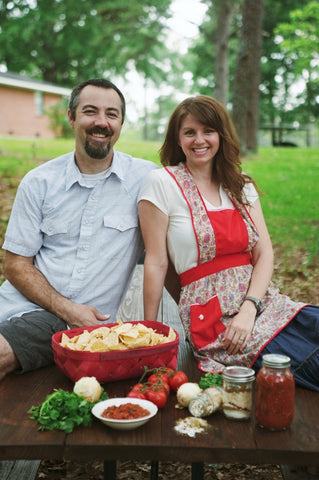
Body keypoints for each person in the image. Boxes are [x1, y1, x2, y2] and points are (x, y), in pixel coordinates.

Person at [138, 95, 319, 391]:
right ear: (177, 139)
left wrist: (250, 308)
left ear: (221, 135)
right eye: (189, 132)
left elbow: (264, 253)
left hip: (263, 302)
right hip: (215, 321)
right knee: (305, 362)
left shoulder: (239, 184)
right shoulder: (161, 184)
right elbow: (157, 262)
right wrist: (149, 334)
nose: (200, 140)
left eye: (208, 131)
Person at [0, 78, 157, 381]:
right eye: (90, 111)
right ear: (71, 118)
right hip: (15, 303)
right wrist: (68, 308)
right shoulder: (40, 182)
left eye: (112, 114)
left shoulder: (146, 179)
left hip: (62, 325)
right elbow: (16, 264)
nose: (102, 122)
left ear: (121, 123)